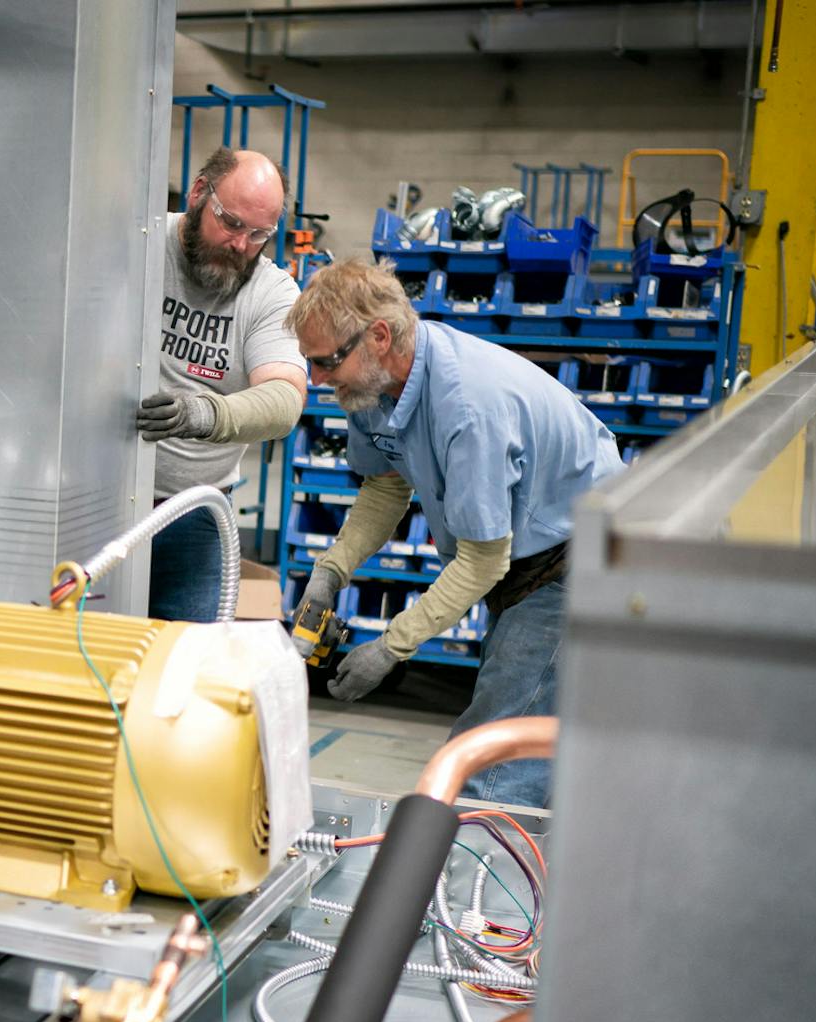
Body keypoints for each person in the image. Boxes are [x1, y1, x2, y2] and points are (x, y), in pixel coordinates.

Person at [285, 259, 622, 807]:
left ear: (379, 335)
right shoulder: (372, 387)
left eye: (326, 362)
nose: (316, 380)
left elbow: (482, 561)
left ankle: (471, 886)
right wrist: (330, 572)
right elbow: (385, 488)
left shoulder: (468, 407)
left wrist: (391, 648)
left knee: (489, 763)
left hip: (577, 562)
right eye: (310, 362)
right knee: (529, 742)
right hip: (524, 563)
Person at [136, 148, 308, 622]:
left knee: (191, 668)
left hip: (195, 514)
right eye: (231, 223)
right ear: (198, 193)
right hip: (101, 500)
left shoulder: (272, 292)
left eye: (259, 234)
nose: (240, 245)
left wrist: (204, 413)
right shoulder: (141, 242)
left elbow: (284, 400)